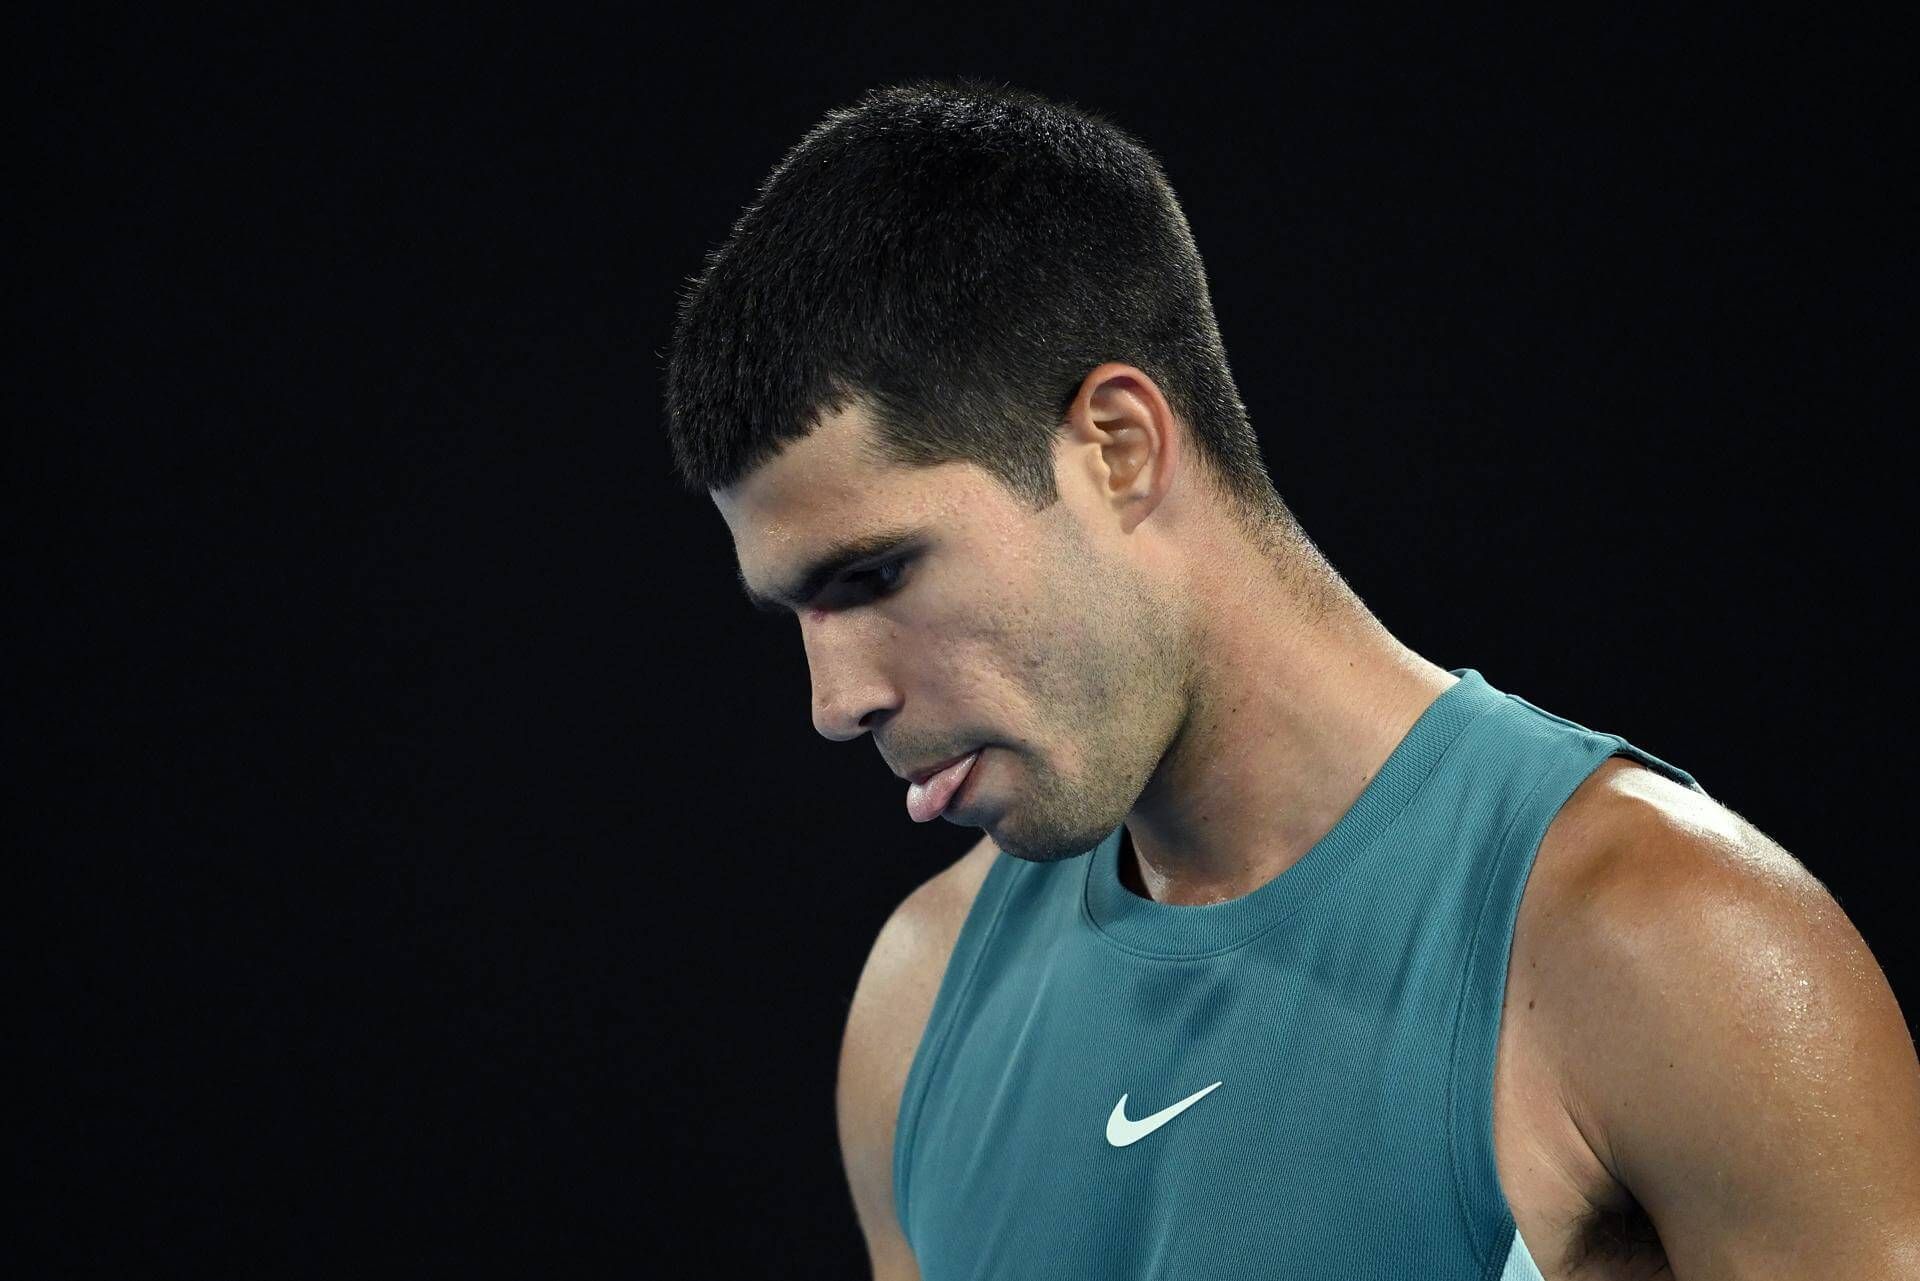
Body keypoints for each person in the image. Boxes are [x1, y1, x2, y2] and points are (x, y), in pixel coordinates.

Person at [662, 77, 1920, 1279]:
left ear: (1117, 446)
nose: (836, 700)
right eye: (798, 613)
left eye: (874, 576)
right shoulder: (918, 1004)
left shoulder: (1669, 947)